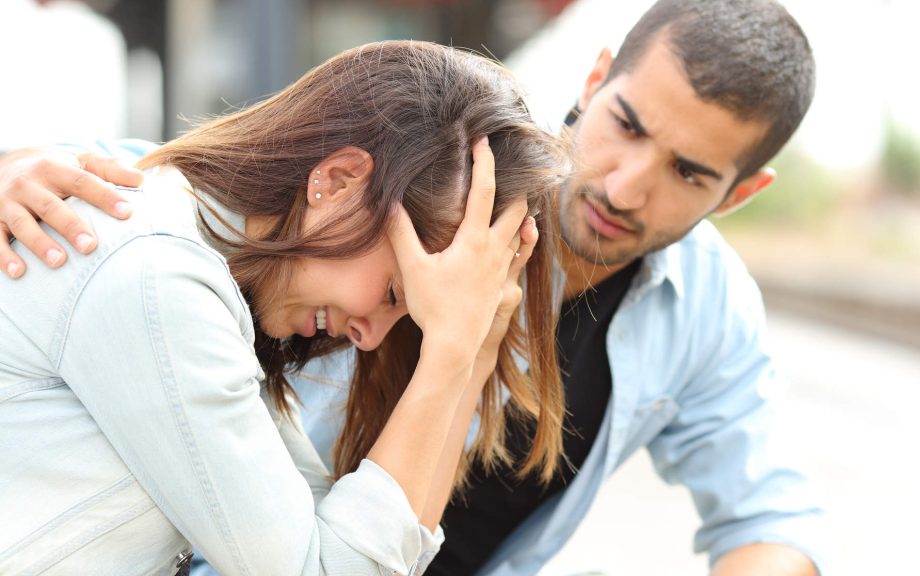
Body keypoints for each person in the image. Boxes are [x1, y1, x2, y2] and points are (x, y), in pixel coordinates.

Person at [0, 1, 827, 574]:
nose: (625, 186)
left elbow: (770, 520)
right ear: (597, 78)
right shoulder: (447, 178)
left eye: (688, 172)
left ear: (741, 193)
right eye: (628, 126)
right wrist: (12, 170)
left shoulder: (707, 309)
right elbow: (205, 195)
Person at [0, 40, 570, 575]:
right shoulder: (157, 279)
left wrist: (474, 350)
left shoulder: (215, 286)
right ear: (339, 182)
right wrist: (449, 353)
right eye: (395, 293)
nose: (369, 338)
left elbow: (370, 553)